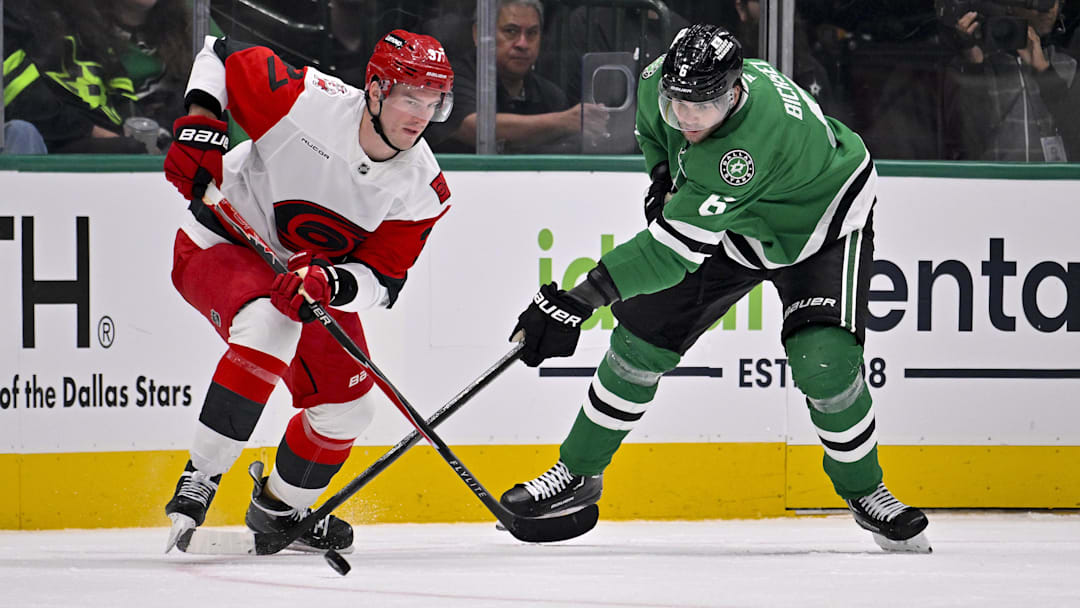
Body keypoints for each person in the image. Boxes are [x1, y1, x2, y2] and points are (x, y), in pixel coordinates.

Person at [499, 24, 931, 553]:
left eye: (700, 107)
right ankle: (579, 473)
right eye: (677, 102)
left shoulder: (743, 149)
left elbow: (668, 253)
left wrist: (577, 301)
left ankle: (867, 491)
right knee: (639, 342)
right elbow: (651, 127)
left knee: (824, 360)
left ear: (735, 91)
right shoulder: (666, 82)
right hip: (734, 219)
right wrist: (661, 176)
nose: (685, 117)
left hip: (820, 227)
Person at [162, 29, 455, 552]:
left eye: (434, 101)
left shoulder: (422, 189)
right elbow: (219, 49)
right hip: (216, 243)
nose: (421, 115)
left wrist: (331, 284)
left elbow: (382, 283)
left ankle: (279, 509)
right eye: (411, 96)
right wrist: (202, 126)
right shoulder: (304, 103)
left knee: (351, 407)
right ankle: (202, 475)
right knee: (268, 324)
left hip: (300, 285)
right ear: (376, 89)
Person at [427, 0, 608, 153]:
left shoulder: (550, 96)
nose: (523, 44)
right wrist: (565, 121)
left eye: (532, 33)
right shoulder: (449, 80)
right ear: (478, 34)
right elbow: (473, 127)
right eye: (511, 31)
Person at [943, 0, 1079, 160]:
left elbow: (1075, 135)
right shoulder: (983, 65)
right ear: (1011, 6)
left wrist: (1044, 71)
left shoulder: (1068, 65)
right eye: (1037, 2)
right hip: (997, 182)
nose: (1048, 8)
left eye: (1054, 2)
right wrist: (974, 66)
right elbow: (967, 144)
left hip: (1053, 182)